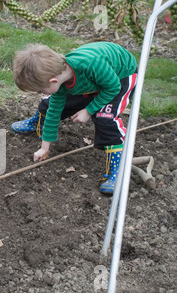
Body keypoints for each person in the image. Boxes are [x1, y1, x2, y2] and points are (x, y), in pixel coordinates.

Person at [10, 42, 137, 194]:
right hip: (93, 81)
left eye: (39, 89)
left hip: (120, 76)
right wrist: (44, 148)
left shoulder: (91, 65)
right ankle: (37, 123)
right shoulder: (61, 78)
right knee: (49, 103)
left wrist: (88, 110)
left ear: (53, 81)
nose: (39, 92)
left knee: (105, 118)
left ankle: (118, 171)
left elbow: (113, 88)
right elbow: (54, 112)